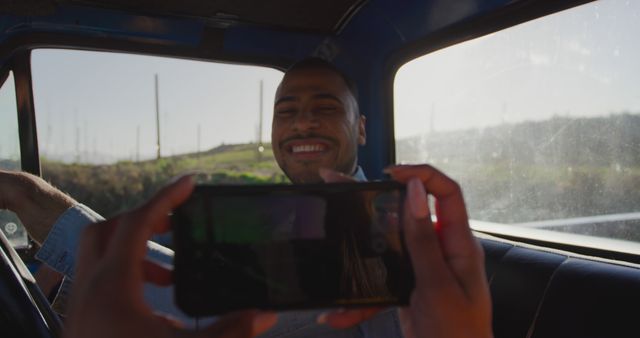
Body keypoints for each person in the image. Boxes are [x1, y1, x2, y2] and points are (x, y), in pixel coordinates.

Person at [0, 58, 492, 337]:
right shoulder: (262, 221)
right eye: (286, 112)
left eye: (325, 108)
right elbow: (187, 285)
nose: (302, 122)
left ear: (361, 129)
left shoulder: (406, 241)